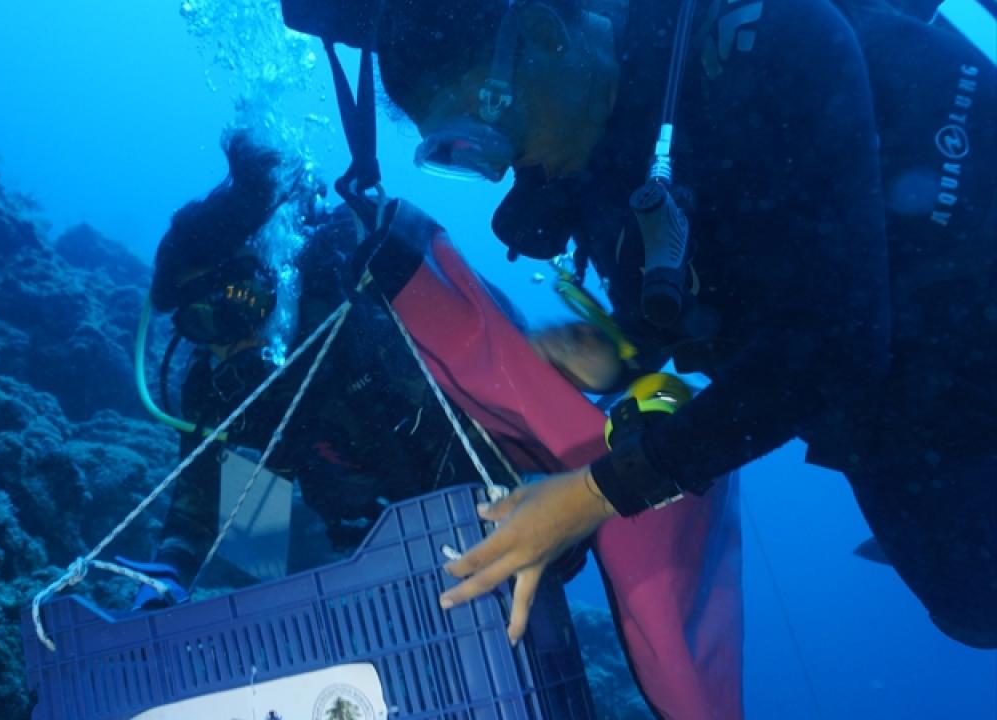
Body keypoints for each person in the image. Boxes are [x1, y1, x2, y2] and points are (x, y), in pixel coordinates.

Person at [371, 0, 996, 649]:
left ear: (542, 33)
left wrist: (595, 495)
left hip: (956, 319)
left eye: (489, 123)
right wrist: (618, 349)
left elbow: (837, 342)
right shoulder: (597, 148)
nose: (498, 166)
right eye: (459, 152)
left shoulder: (769, 40)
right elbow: (692, 289)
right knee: (971, 607)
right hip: (905, 399)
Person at [133, 130, 583, 605]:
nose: (226, 341)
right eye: (198, 323)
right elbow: (204, 508)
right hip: (361, 525)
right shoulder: (219, 384)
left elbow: (486, 408)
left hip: (480, 497)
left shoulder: (365, 311)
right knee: (253, 554)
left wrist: (538, 513)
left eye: (233, 304)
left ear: (270, 268)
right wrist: (168, 576)